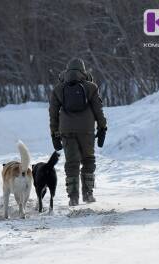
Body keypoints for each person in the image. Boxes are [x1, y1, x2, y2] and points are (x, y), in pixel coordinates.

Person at [49, 58, 107, 206]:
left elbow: (53, 113)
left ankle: (73, 197)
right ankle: (88, 194)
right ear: (83, 71)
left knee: (71, 163)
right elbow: (98, 110)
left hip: (66, 130)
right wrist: (102, 127)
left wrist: (54, 133)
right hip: (87, 129)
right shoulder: (91, 87)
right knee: (88, 160)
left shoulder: (58, 89)